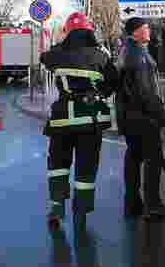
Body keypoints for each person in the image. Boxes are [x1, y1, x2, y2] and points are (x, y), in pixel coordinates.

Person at [41, 12, 119, 229]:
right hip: (90, 119)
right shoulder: (101, 55)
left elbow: (44, 59)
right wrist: (100, 92)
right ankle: (81, 210)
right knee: (86, 166)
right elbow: (114, 81)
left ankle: (56, 206)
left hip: (62, 120)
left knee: (58, 164)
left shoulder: (57, 53)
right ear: (90, 32)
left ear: (68, 31)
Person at [115, 17, 165, 220]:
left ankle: (132, 203)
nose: (148, 30)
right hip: (144, 118)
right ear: (135, 32)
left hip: (127, 116)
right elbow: (147, 93)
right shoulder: (138, 55)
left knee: (133, 157)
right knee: (153, 159)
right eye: (145, 28)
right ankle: (153, 205)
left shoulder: (126, 51)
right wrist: (163, 118)